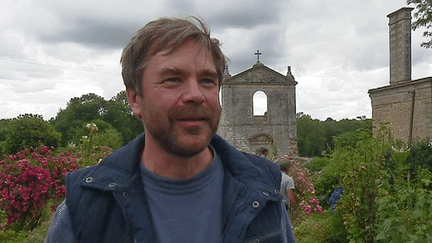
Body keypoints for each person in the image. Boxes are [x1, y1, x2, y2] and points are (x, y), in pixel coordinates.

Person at [45, 16, 296, 243]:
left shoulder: (265, 190)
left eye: (207, 80)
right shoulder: (89, 205)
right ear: (134, 99)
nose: (195, 95)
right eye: (173, 79)